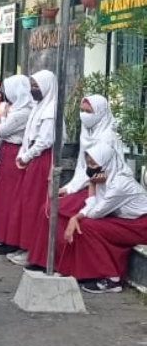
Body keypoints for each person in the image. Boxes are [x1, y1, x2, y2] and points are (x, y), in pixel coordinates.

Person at [26, 93, 127, 271]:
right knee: (50, 206)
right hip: (85, 185)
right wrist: (70, 187)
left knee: (56, 209)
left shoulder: (108, 138)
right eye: (82, 110)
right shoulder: (87, 132)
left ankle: (58, 262)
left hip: (102, 189)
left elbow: (99, 173)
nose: (84, 115)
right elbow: (83, 167)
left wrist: (74, 188)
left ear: (101, 113)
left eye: (88, 111)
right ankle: (45, 260)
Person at [55, 142, 147, 293]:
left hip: (141, 225)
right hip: (131, 222)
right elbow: (95, 206)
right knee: (87, 224)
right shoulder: (107, 178)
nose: (91, 168)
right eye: (88, 164)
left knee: (88, 225)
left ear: (106, 162)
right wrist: (77, 216)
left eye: (93, 164)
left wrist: (91, 186)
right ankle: (89, 271)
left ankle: (112, 278)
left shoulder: (120, 183)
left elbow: (95, 212)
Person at [6, 70, 57, 267]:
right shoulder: (39, 106)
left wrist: (27, 155)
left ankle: (34, 251)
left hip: (42, 160)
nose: (33, 90)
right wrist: (24, 154)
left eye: (37, 86)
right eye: (32, 86)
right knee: (28, 203)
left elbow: (44, 140)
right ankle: (27, 246)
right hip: (33, 159)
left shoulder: (50, 111)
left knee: (35, 204)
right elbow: (30, 135)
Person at [0, 75, 34, 256]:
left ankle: (11, 238)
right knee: (3, 197)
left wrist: (3, 117)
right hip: (7, 153)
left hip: (15, 154)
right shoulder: (14, 109)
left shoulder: (23, 112)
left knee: (12, 199)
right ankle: (2, 235)